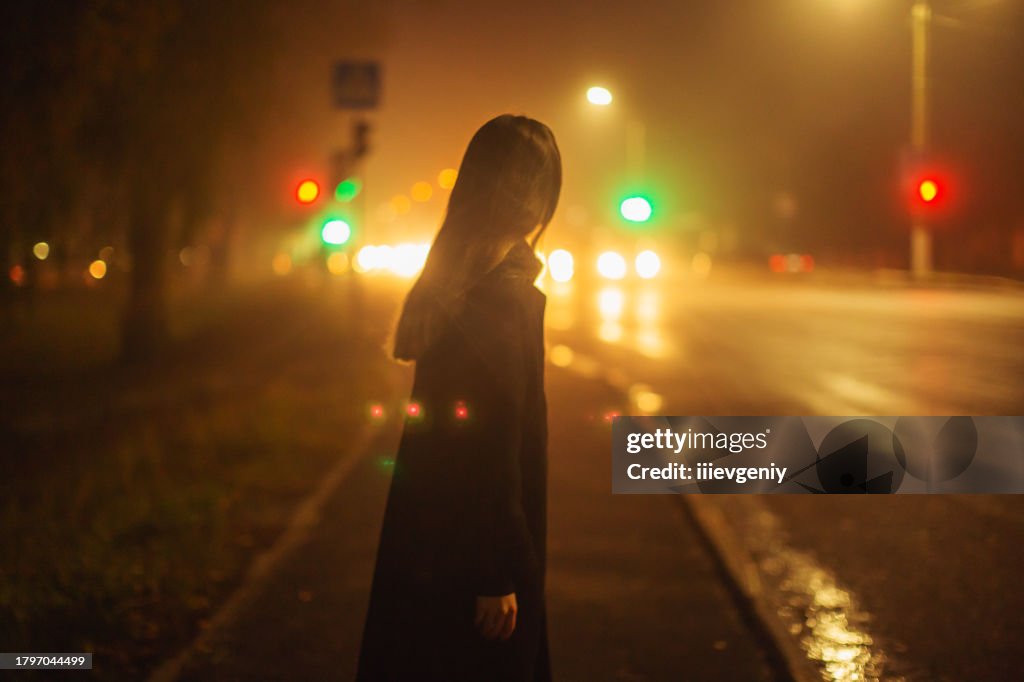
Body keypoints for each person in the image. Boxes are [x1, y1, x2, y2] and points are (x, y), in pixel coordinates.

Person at [356, 114, 562, 682]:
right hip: (476, 562)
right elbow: (490, 444)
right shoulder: (504, 297)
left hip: (429, 541)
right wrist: (495, 573)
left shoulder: (454, 283)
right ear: (534, 196)